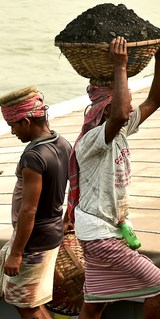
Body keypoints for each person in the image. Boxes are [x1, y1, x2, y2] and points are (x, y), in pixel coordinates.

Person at [68, 37, 160, 319]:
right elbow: (120, 114)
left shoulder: (122, 130)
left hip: (110, 230)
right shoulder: (92, 140)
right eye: (118, 106)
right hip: (100, 235)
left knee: (95, 304)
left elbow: (156, 99)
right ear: (105, 111)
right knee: (158, 287)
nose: (127, 110)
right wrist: (120, 66)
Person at [0, 87, 72, 319]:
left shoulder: (33, 157)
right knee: (31, 300)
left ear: (27, 121)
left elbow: (29, 210)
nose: (12, 132)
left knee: (26, 305)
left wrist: (16, 253)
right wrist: (67, 221)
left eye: (13, 125)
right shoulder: (62, 144)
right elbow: (73, 189)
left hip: (33, 240)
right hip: (50, 233)